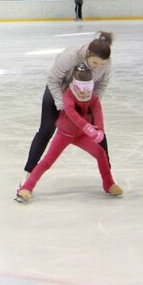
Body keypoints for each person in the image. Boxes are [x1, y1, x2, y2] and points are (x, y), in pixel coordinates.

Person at [17, 64, 122, 203]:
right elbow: (72, 113)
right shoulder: (67, 94)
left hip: (82, 136)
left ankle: (109, 184)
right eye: (81, 89)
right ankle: (26, 188)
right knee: (47, 161)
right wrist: (87, 127)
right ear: (75, 85)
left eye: (88, 89)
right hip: (64, 134)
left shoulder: (93, 97)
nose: (85, 93)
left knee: (101, 154)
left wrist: (100, 129)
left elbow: (97, 111)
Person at [24, 31, 113, 177]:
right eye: (95, 62)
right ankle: (28, 172)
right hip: (58, 91)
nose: (98, 67)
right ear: (88, 54)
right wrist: (62, 104)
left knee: (98, 131)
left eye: (102, 64)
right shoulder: (70, 57)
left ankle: (109, 175)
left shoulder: (106, 62)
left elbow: (102, 84)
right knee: (46, 129)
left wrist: (91, 102)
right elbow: (53, 80)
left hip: (84, 96)